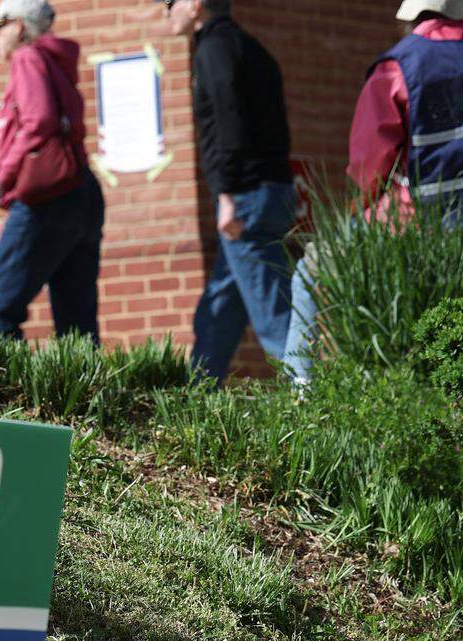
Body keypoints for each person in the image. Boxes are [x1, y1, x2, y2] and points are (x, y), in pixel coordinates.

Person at [283, 0, 463, 383]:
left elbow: (370, 165)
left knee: (309, 271)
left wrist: (361, 208)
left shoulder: (398, 66)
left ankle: (301, 390)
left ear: (415, 15)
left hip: (420, 226)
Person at [159, 0, 296, 384]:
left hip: (245, 197)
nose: (166, 11)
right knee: (219, 306)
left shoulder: (213, 50)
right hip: (268, 190)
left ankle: (312, 400)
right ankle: (199, 396)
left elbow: (227, 126)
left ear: (195, 5)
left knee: (272, 315)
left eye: (171, 3)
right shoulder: (251, 48)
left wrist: (226, 196)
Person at [0, 0, 106, 341]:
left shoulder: (27, 57)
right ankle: (87, 394)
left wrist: (1, 180)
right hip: (81, 191)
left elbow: (40, 120)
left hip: (48, 200)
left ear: (18, 27)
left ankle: (2, 394)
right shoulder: (55, 61)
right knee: (77, 323)